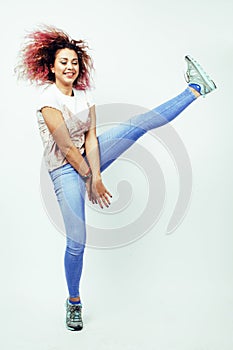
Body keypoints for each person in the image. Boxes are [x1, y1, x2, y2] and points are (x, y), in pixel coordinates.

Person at [15, 25, 216, 332]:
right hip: (64, 169)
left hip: (88, 161)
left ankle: (195, 89)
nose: (70, 67)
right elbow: (67, 148)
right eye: (63, 62)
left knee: (136, 125)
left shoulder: (84, 97)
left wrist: (95, 176)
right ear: (51, 67)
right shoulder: (48, 99)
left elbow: (91, 140)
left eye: (74, 62)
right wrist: (89, 178)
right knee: (77, 241)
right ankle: (74, 302)